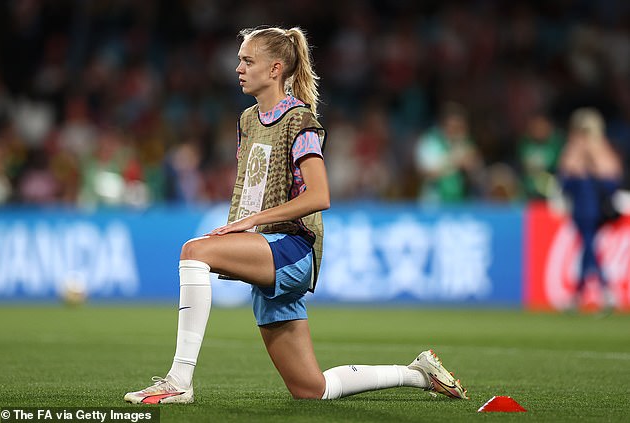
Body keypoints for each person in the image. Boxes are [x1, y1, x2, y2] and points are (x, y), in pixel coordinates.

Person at [124, 26, 467, 404]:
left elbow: (320, 195)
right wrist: (245, 222)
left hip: (292, 249)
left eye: (247, 60)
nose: (238, 67)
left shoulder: (300, 122)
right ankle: (418, 374)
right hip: (267, 248)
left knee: (194, 252)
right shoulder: (248, 120)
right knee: (311, 390)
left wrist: (251, 222)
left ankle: (178, 381)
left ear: (274, 69)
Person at [559, 108, 622, 311]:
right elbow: (564, 180)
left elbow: (612, 178)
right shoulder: (572, 150)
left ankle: (599, 291)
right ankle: (586, 294)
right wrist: (577, 154)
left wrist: (593, 154)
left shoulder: (602, 149)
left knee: (589, 248)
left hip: (596, 211)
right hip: (580, 210)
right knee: (588, 249)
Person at [414, 102, 481, 203]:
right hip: (435, 204)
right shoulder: (430, 141)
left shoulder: (467, 144)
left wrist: (472, 165)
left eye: (460, 128)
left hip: (462, 204)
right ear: (444, 125)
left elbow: (478, 175)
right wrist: (453, 160)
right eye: (454, 127)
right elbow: (424, 172)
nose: (457, 132)